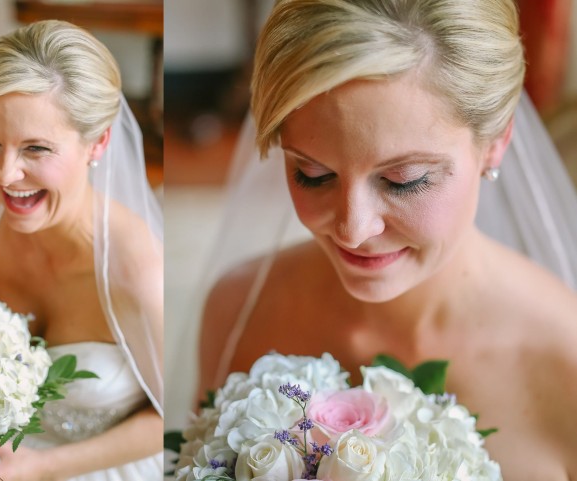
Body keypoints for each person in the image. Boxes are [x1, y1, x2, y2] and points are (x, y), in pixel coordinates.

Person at [189, 1, 577, 479]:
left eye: (404, 180)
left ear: (496, 139)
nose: (353, 229)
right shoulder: (236, 308)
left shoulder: (566, 364)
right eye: (312, 174)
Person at [0, 20, 163, 480]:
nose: (5, 175)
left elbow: (170, 419)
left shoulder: (139, 272)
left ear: (99, 142)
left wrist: (42, 467)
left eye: (36, 148)